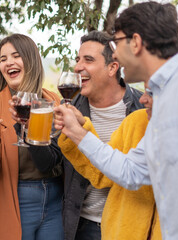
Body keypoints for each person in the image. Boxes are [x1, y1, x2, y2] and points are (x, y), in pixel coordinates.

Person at [54, 2, 178, 239]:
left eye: (116, 42)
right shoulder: (161, 100)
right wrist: (78, 133)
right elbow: (131, 171)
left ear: (135, 42)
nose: (113, 54)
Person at [0, 33, 63, 240]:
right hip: (15, 201)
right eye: (2, 59)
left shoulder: (54, 101)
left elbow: (59, 157)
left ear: (31, 59)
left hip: (56, 199)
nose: (8, 63)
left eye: (15, 56)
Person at [62, 30, 143, 240]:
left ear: (112, 67)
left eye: (88, 60)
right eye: (78, 59)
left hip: (127, 227)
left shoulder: (143, 109)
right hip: (82, 225)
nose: (78, 67)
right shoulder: (71, 107)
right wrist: (26, 128)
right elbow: (49, 163)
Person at [59, 82, 162, 240]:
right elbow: (104, 172)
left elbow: (130, 172)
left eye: (152, 93)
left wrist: (79, 133)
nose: (143, 100)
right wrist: (80, 130)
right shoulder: (137, 122)